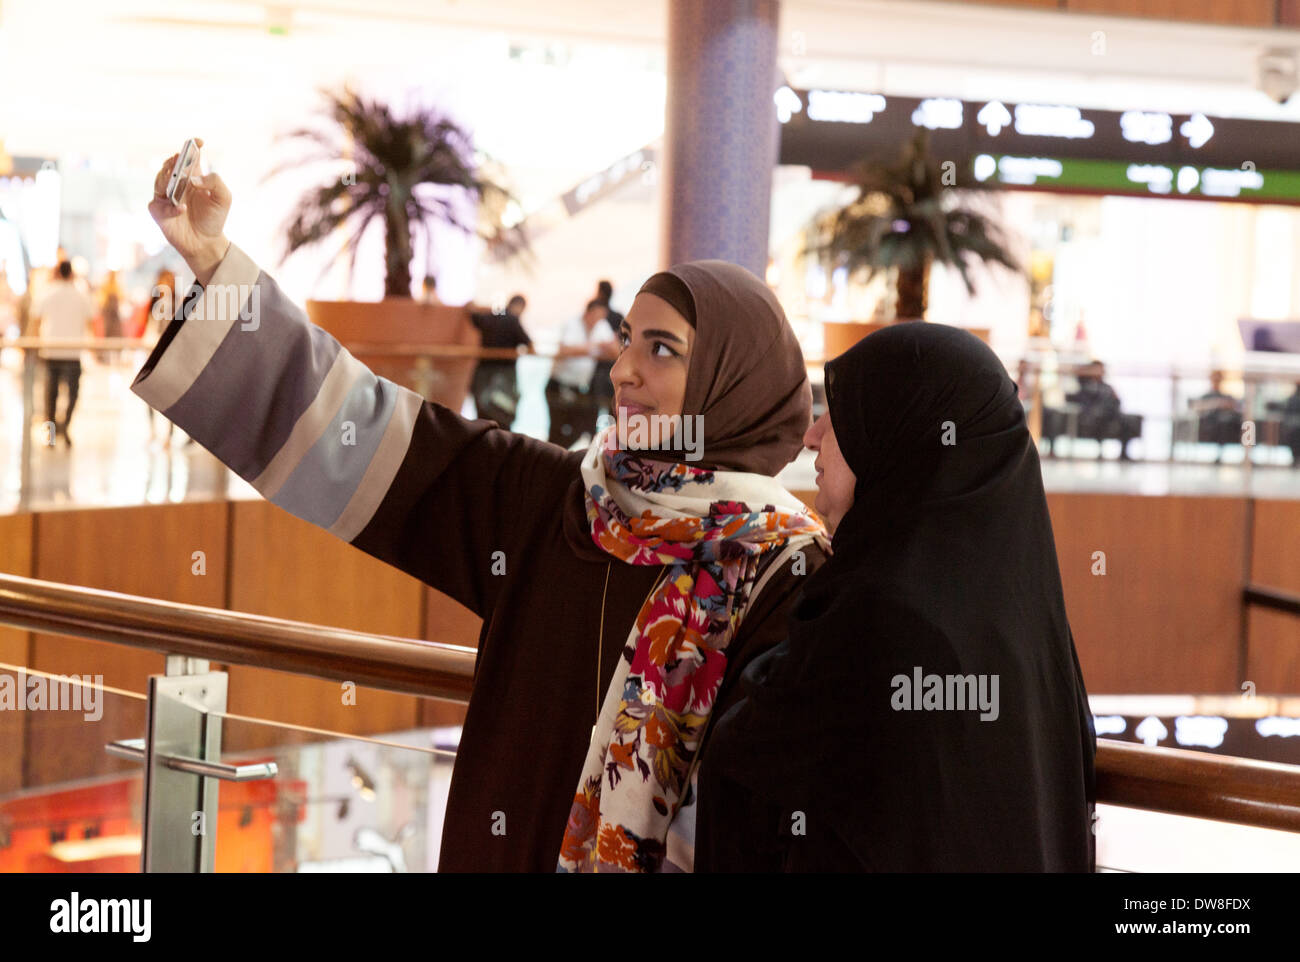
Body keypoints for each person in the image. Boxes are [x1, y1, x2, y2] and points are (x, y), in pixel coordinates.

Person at [136, 141, 830, 872]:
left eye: (662, 349)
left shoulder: (782, 569)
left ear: (733, 377)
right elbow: (364, 427)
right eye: (627, 339)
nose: (622, 369)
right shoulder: (561, 504)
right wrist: (212, 262)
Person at [695, 323, 1097, 872]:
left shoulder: (882, 625)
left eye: (841, 413)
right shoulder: (1027, 630)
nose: (812, 435)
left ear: (900, 437)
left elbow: (756, 779)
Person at [33, 260, 96, 447]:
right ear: (71, 274)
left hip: (51, 350)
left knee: (50, 397)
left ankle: (52, 434)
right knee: (72, 394)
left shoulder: (47, 292)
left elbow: (36, 319)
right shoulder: (80, 294)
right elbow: (90, 321)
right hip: (72, 352)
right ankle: (65, 427)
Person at [546, 298, 617, 447]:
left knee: (583, 427)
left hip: (580, 387)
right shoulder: (571, 324)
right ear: (588, 313)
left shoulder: (601, 327)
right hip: (559, 384)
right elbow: (564, 350)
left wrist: (605, 346)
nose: (597, 321)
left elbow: (615, 350)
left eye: (601, 318)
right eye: (596, 316)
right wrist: (593, 346)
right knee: (557, 429)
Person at [468, 294, 532, 429]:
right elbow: (529, 344)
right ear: (519, 306)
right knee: (502, 418)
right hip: (504, 376)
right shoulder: (513, 320)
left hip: (482, 374)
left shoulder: (492, 316)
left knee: (482, 418)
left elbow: (472, 315)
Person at [96, 270, 124, 365]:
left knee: (114, 337)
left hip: (113, 317)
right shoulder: (105, 288)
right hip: (109, 317)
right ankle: (106, 359)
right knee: (108, 336)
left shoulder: (115, 287)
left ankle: (112, 359)